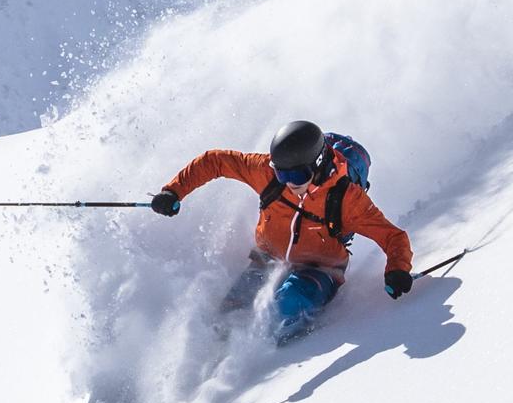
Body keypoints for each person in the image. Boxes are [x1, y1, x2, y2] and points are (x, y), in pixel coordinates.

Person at [151, 119, 415, 342]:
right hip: (267, 259)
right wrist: (173, 191)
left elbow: (393, 237)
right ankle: (214, 358)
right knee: (227, 317)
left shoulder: (347, 198)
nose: (289, 183)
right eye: (282, 175)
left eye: (297, 176)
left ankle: (267, 358)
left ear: (317, 164)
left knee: (283, 310)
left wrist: (397, 270)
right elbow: (216, 161)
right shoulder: (266, 173)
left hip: (320, 269)